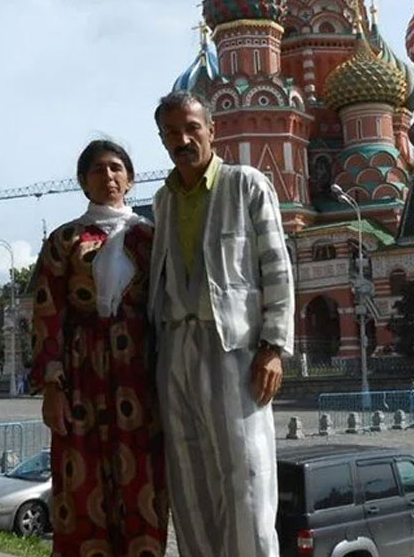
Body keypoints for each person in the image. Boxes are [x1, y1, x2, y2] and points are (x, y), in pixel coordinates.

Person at [148, 91, 294, 557]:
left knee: (245, 475)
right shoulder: (163, 199)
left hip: (233, 346)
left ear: (212, 129)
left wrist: (272, 346)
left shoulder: (244, 184)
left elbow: (276, 265)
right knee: (188, 479)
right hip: (176, 346)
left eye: (192, 127)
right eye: (172, 133)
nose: (183, 139)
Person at [29, 139, 168, 557]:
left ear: (130, 178)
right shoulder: (65, 240)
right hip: (80, 375)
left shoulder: (151, 237)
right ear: (82, 183)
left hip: (139, 376)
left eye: (115, 168)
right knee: (80, 485)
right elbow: (46, 313)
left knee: (144, 483)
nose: (107, 177)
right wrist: (53, 387)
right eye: (97, 170)